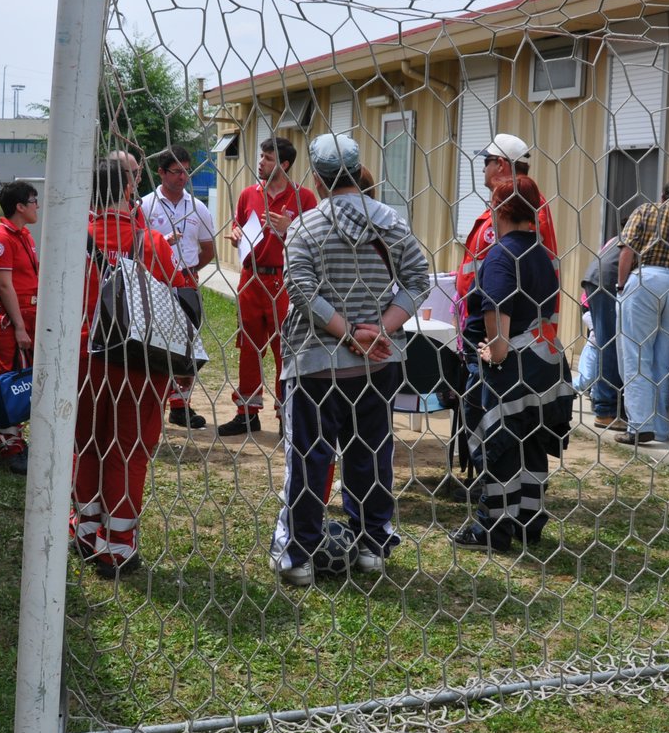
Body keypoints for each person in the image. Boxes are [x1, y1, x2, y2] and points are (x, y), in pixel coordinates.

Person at [269, 133, 430, 586]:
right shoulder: (393, 223)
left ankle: (298, 556)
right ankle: (372, 546)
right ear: (360, 172)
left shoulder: (305, 227)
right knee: (371, 454)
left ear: (316, 180)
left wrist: (347, 332)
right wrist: (380, 330)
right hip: (379, 364)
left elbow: (301, 291)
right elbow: (417, 280)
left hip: (317, 364)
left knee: (309, 458)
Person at [73, 160, 191, 578]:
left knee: (87, 443)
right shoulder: (152, 242)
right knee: (128, 450)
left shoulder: (75, 239)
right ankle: (118, 546)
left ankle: (86, 531)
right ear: (127, 192)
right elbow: (179, 297)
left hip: (87, 358)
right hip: (138, 361)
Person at [451, 176, 573, 552]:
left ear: (500, 210)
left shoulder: (501, 256)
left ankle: (494, 530)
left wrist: (491, 353)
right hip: (545, 367)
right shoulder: (542, 253)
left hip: (512, 369)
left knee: (499, 446)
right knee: (533, 442)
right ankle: (529, 523)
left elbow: (498, 336)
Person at [451, 134, 561, 490]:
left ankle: (495, 512)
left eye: (487, 160)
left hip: (501, 338)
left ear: (501, 164)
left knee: (495, 426)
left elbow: (507, 283)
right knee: (510, 428)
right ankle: (517, 507)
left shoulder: (522, 213)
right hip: (497, 330)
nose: (482, 166)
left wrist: (495, 341)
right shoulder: (522, 207)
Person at [220, 136, 318, 437]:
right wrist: (236, 234)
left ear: (284, 164)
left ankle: (286, 414)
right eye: (261, 156)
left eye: (268, 158)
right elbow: (238, 223)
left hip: (284, 280)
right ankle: (247, 413)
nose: (260, 162)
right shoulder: (249, 193)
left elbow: (316, 240)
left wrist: (291, 229)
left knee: (284, 349)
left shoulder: (305, 199)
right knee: (249, 347)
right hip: (250, 278)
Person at [139, 145, 215, 430]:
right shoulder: (145, 205)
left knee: (187, 343)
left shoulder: (198, 207)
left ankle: (180, 405)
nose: (182, 177)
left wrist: (191, 270)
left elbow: (208, 248)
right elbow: (138, 246)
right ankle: (153, 399)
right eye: (176, 171)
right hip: (156, 282)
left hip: (186, 282)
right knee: (156, 343)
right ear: (160, 172)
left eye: (186, 171)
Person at [615, 180, 669, 445]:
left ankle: (638, 426)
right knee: (663, 358)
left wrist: (622, 286)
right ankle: (661, 428)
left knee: (635, 353)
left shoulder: (646, 210)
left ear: (662, 195)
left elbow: (627, 250)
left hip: (645, 279)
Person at [0, 180, 40, 473]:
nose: (37, 206)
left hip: (29, 316)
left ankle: (18, 439)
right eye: (33, 200)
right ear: (19, 206)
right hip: (10, 321)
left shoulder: (24, 235)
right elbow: (4, 286)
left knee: (26, 378)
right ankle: (10, 446)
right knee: (10, 379)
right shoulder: (1, 240)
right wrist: (19, 327)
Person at [581, 234, 626, 430]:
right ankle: (605, 410)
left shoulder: (617, 237)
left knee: (606, 343)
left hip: (597, 280)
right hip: (608, 282)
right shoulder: (651, 229)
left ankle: (604, 402)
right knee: (610, 345)